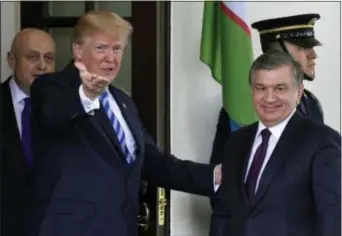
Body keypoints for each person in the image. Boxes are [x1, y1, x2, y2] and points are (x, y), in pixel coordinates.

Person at [21, 11, 221, 236]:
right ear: (78, 50)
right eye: (101, 48)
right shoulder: (50, 87)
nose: (111, 57)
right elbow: (55, 117)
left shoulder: (123, 102)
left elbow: (151, 161)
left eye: (117, 49)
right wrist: (87, 95)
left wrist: (213, 177)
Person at [209, 51, 340, 236]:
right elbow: (223, 212)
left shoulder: (322, 141)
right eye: (261, 88)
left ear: (298, 92)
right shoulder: (237, 141)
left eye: (279, 88)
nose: (269, 98)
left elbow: (331, 219)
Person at [210, 13, 324, 165]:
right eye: (302, 47)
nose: (313, 55)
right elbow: (225, 174)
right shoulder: (247, 108)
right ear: (278, 53)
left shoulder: (310, 103)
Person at [0, 28, 56, 236]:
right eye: (32, 57)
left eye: (48, 58)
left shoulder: (66, 109)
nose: (42, 65)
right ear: (12, 61)